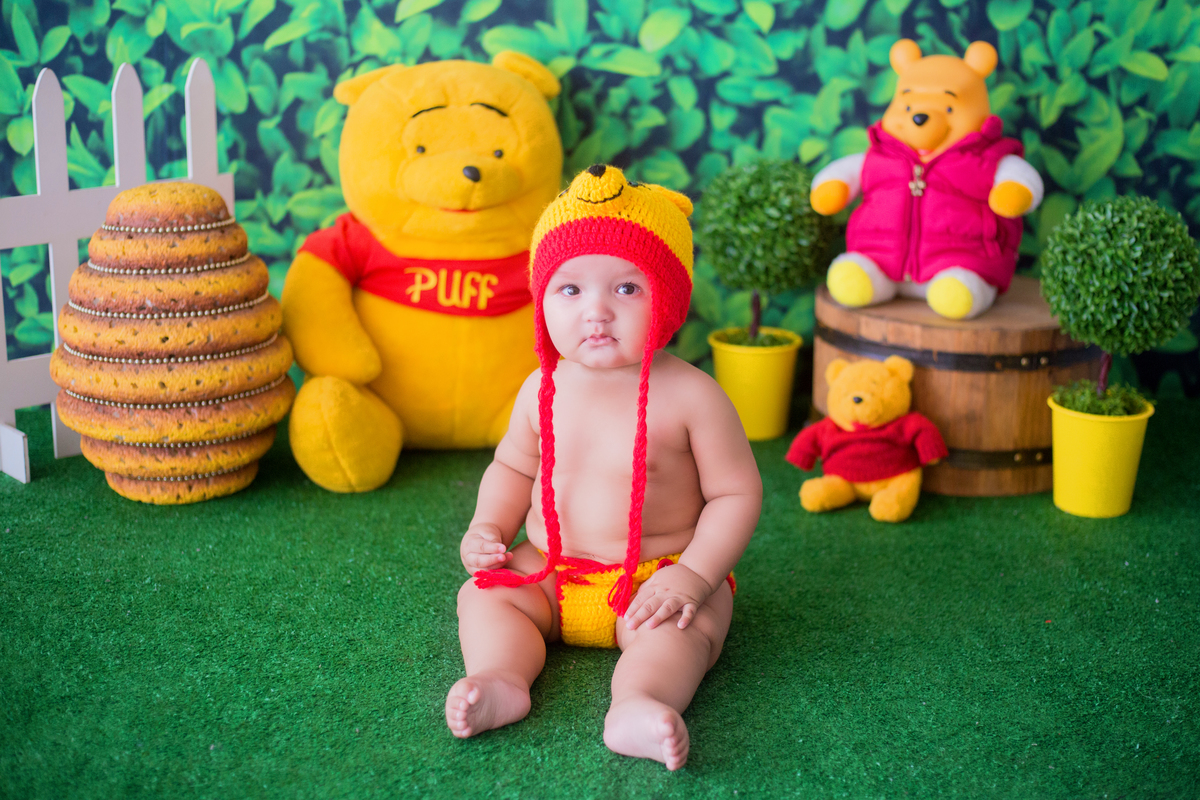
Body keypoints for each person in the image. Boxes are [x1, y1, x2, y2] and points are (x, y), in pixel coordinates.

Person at [444, 164, 762, 770]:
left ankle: (640, 704)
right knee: (483, 597)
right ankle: (501, 679)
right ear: (543, 301)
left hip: (653, 578)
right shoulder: (543, 386)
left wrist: (694, 575)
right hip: (551, 569)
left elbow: (736, 494)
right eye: (570, 290)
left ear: (668, 297)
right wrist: (487, 527)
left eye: (626, 289)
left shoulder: (693, 396)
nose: (597, 313)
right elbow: (513, 466)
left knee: (686, 626)